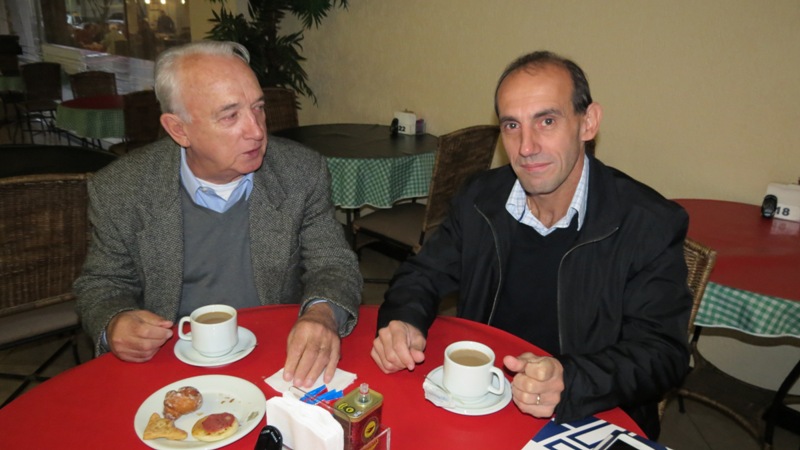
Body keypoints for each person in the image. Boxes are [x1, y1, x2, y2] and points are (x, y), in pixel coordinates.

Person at [370, 50, 691, 439]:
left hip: (588, 416)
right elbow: (422, 274)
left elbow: (663, 354)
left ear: (587, 123)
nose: (525, 147)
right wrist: (402, 320)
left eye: (547, 121)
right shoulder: (480, 198)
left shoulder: (648, 222)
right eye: (512, 126)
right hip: (480, 404)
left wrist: (570, 379)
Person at [74, 40, 362, 388]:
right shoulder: (122, 188)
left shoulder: (301, 171)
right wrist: (115, 321)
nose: (257, 131)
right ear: (179, 129)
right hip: (170, 365)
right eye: (230, 116)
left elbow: (332, 262)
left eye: (258, 108)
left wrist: (321, 314)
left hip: (276, 357)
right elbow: (102, 283)